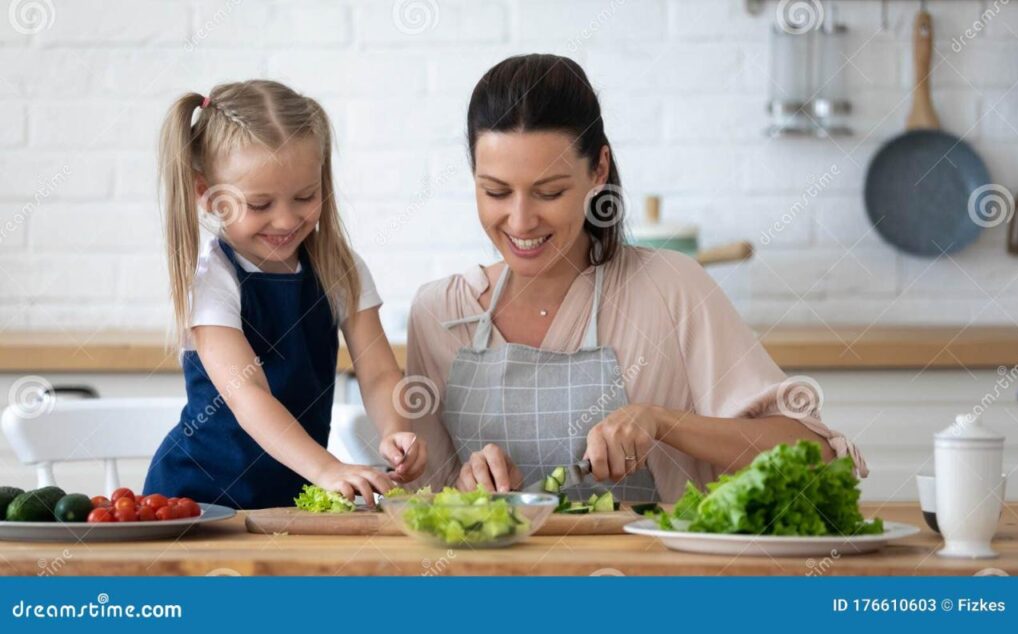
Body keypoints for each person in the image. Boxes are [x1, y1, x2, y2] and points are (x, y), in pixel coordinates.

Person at [404, 55, 865, 502]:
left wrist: (663, 423)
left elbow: (816, 458)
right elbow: (418, 497)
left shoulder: (670, 289)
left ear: (598, 170)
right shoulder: (442, 313)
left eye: (550, 192)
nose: (521, 221)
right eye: (496, 191)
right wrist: (463, 492)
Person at [144, 80, 425, 509]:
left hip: (289, 496)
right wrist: (329, 469)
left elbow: (379, 374)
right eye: (260, 204)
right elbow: (247, 394)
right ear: (208, 196)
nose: (286, 219)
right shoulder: (212, 279)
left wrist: (394, 430)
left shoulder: (339, 268)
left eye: (305, 196)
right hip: (199, 503)